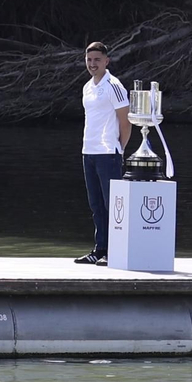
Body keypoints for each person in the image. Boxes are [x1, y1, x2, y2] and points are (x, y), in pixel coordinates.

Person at [75, 41, 131, 265]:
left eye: (97, 59)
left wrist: (119, 150)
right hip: (88, 151)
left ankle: (115, 251)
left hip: (108, 152)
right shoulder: (87, 87)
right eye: (89, 60)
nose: (92, 64)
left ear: (106, 61)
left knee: (112, 205)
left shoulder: (114, 86)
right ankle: (99, 249)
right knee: (96, 204)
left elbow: (125, 122)